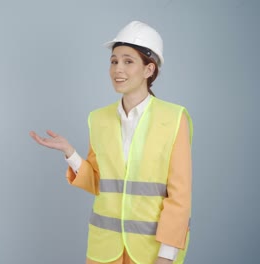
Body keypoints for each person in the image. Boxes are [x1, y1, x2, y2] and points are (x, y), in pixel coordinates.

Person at [30, 21, 192, 264]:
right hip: (104, 251)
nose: (118, 69)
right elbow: (98, 183)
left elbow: (180, 196)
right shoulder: (98, 119)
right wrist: (71, 153)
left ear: (149, 70)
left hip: (150, 253)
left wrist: (166, 257)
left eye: (128, 61)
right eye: (114, 61)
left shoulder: (174, 118)